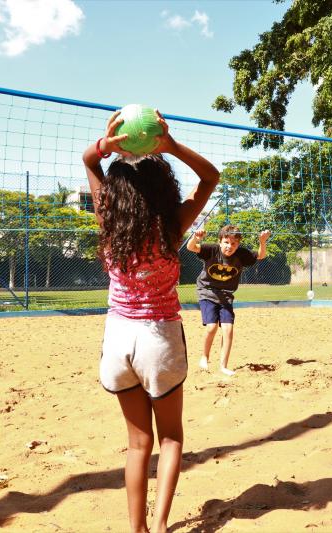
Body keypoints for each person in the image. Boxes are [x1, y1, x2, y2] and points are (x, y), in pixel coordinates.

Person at [83, 110, 219, 533]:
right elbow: (211, 177)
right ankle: (160, 525)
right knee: (172, 438)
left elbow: (88, 161)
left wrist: (107, 146)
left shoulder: (107, 219)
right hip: (159, 339)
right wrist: (171, 145)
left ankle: (136, 529)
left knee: (136, 444)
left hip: (118, 339)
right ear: (164, 188)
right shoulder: (172, 224)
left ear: (115, 191)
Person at [186, 225, 270, 375]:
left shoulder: (241, 255)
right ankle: (204, 357)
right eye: (226, 242)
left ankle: (223, 366)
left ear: (238, 244)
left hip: (226, 296)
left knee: (228, 329)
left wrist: (262, 241)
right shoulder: (211, 250)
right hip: (207, 292)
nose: (229, 246)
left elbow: (261, 255)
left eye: (233, 243)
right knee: (211, 327)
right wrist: (196, 238)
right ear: (220, 241)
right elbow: (191, 247)